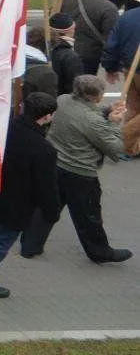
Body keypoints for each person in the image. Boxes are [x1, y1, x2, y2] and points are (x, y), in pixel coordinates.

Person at [0, 92, 60, 297]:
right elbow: (46, 185)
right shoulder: (44, 150)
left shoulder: (6, 127)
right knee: (1, 239)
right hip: (18, 203)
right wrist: (52, 212)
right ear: (46, 116)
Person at [46, 75, 134, 264]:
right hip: (80, 173)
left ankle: (30, 244)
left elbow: (85, 114)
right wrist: (113, 122)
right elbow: (115, 149)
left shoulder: (63, 100)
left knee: (48, 208)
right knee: (88, 217)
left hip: (56, 163)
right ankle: (99, 252)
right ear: (97, 97)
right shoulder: (93, 121)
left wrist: (107, 111)